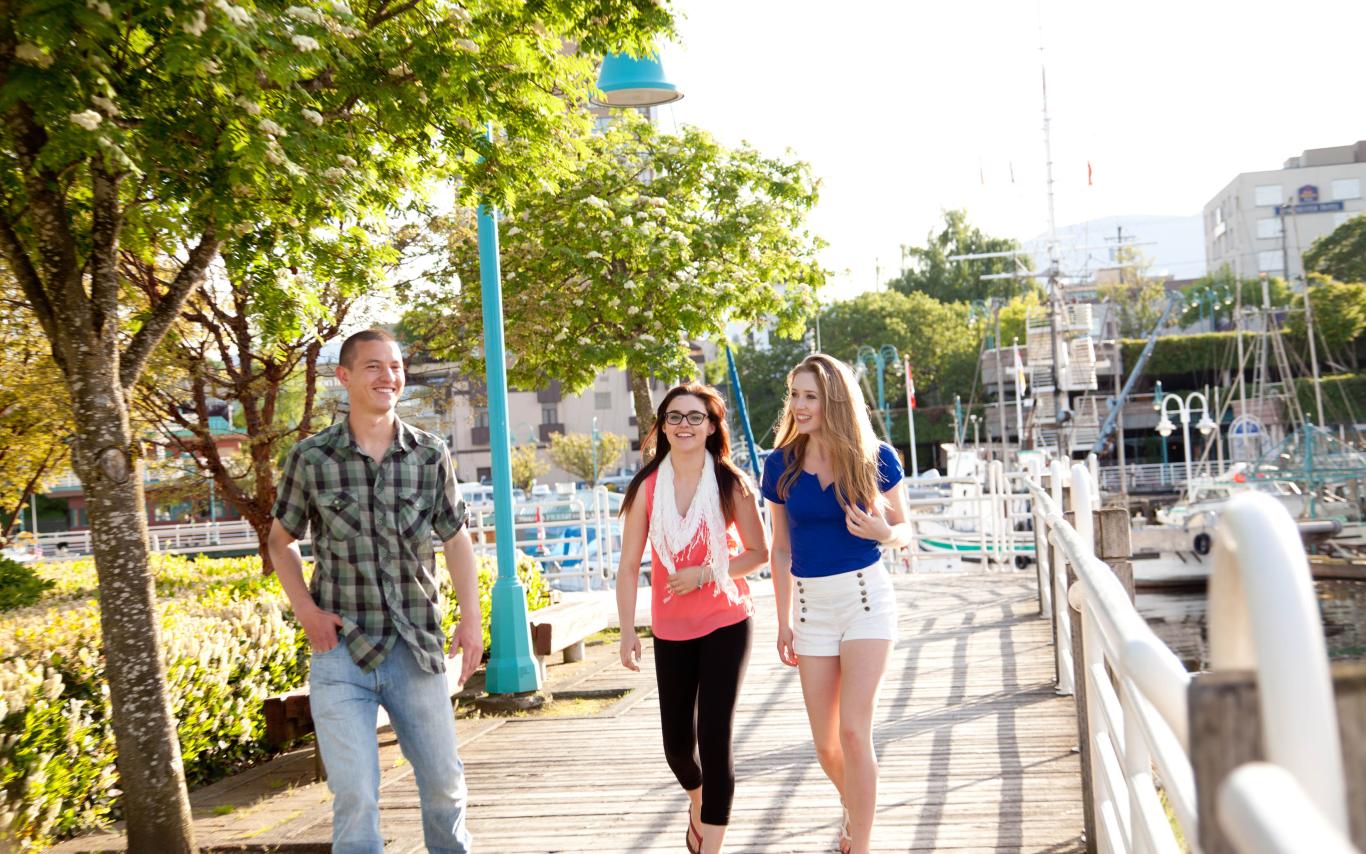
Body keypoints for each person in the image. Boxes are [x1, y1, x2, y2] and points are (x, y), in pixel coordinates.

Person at [268, 328, 482, 854]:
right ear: (344, 378)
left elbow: (456, 540)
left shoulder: (430, 455)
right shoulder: (311, 458)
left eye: (396, 366)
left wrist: (472, 619)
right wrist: (307, 613)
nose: (389, 376)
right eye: (374, 367)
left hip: (417, 648)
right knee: (357, 796)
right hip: (342, 652)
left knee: (444, 788)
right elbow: (280, 542)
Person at [760, 354, 913, 854]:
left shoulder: (876, 456)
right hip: (810, 611)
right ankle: (855, 805)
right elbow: (779, 547)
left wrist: (884, 532)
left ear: (835, 401)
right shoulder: (778, 464)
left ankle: (861, 843)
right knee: (825, 744)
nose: (799, 406)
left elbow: (905, 529)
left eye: (810, 396)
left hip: (866, 600)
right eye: (795, 395)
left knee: (853, 731)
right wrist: (782, 619)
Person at [616, 383, 770, 854]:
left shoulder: (730, 482)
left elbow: (759, 553)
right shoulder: (647, 486)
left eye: (695, 417)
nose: (685, 424)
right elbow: (627, 566)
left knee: (715, 737)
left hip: (726, 619)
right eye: (675, 417)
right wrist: (627, 631)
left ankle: (711, 844)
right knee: (679, 749)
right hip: (670, 628)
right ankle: (698, 801)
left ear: (711, 426)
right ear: (663, 426)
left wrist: (706, 572)